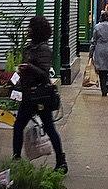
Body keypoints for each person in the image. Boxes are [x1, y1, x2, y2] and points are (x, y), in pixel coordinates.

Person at [12, 16, 67, 173]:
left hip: (40, 96)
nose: (28, 29)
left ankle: (61, 161)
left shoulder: (43, 49)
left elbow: (44, 74)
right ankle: (16, 158)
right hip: (29, 95)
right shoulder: (30, 47)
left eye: (30, 27)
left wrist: (28, 67)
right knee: (18, 126)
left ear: (37, 30)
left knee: (48, 127)